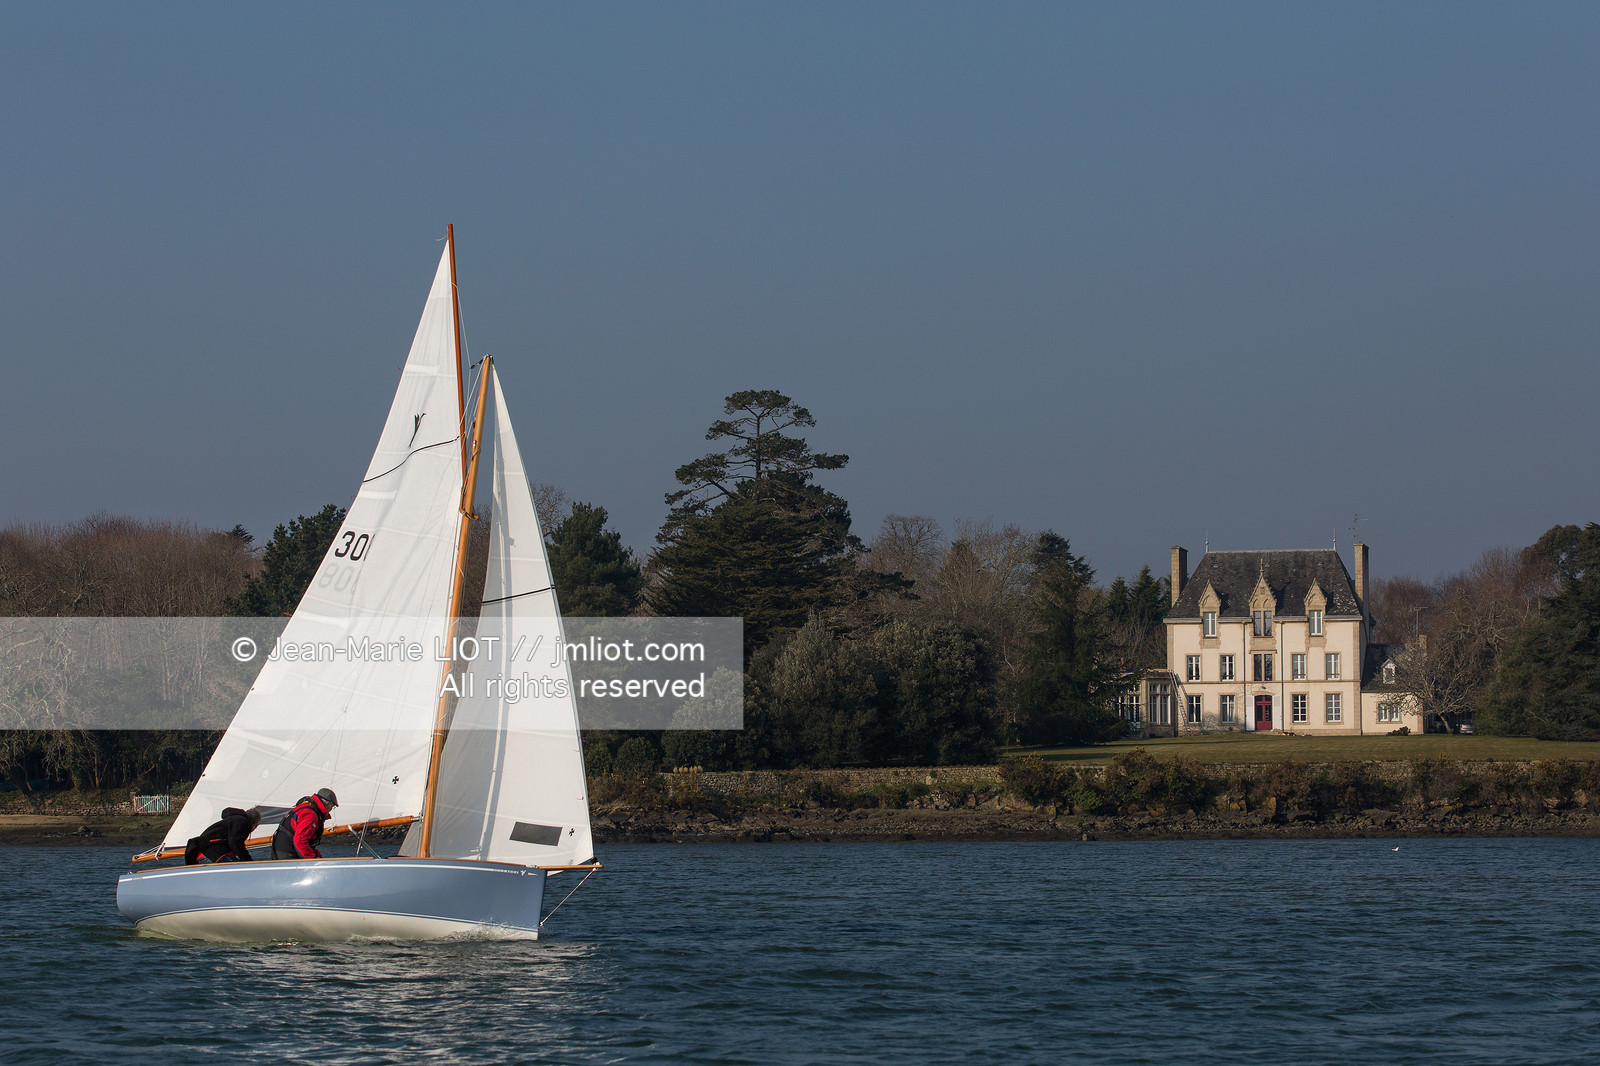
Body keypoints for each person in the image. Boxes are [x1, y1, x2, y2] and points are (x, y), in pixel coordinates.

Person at [271, 788, 338, 860]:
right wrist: (313, 859)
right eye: (332, 807)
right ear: (327, 804)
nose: (331, 810)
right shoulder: (310, 815)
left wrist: (317, 855)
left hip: (282, 847)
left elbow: (306, 841)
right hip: (287, 851)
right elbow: (300, 841)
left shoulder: (308, 806)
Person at [184, 806, 261, 865]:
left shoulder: (232, 820)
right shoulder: (242, 822)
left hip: (203, 854)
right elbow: (235, 843)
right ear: (254, 825)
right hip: (215, 853)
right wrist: (249, 862)